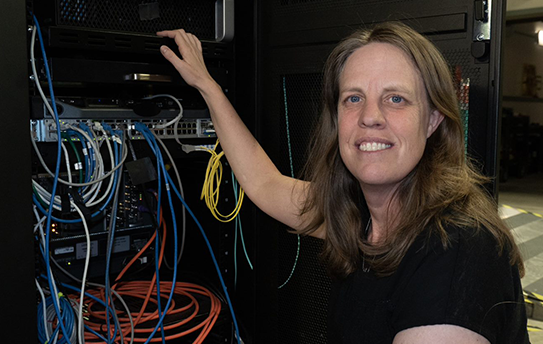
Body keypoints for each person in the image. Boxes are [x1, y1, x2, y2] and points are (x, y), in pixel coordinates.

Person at [156, 21, 529, 343]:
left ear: (432, 120)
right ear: (338, 120)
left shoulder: (458, 251)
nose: (370, 117)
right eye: (354, 98)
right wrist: (207, 86)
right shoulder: (362, 215)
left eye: (395, 98)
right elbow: (264, 184)